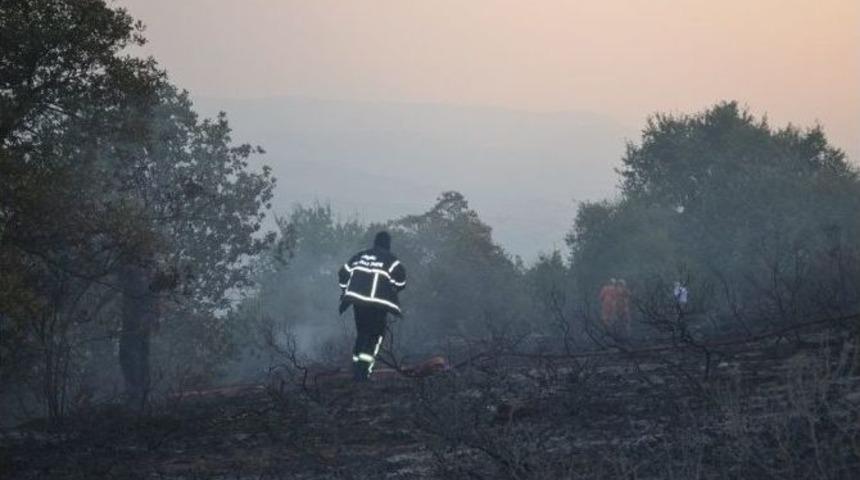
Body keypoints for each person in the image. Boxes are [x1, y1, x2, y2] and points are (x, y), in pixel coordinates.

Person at [338, 231, 407, 381]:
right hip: (378, 305)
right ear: (388, 244)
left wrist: (345, 290)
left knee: (362, 333)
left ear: (375, 242)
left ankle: (356, 367)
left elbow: (343, 274)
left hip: (358, 302)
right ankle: (362, 373)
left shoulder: (360, 256)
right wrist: (391, 288)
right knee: (374, 336)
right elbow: (401, 282)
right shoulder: (391, 260)